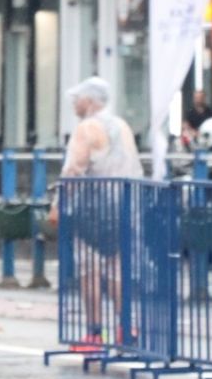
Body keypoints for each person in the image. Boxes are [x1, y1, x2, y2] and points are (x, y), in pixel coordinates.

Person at [47, 76, 143, 350]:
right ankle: (126, 328)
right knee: (117, 270)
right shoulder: (122, 125)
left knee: (89, 270)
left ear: (89, 101)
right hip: (123, 206)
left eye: (77, 99)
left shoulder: (87, 128)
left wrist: (58, 205)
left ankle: (94, 333)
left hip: (93, 210)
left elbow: (73, 169)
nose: (75, 105)